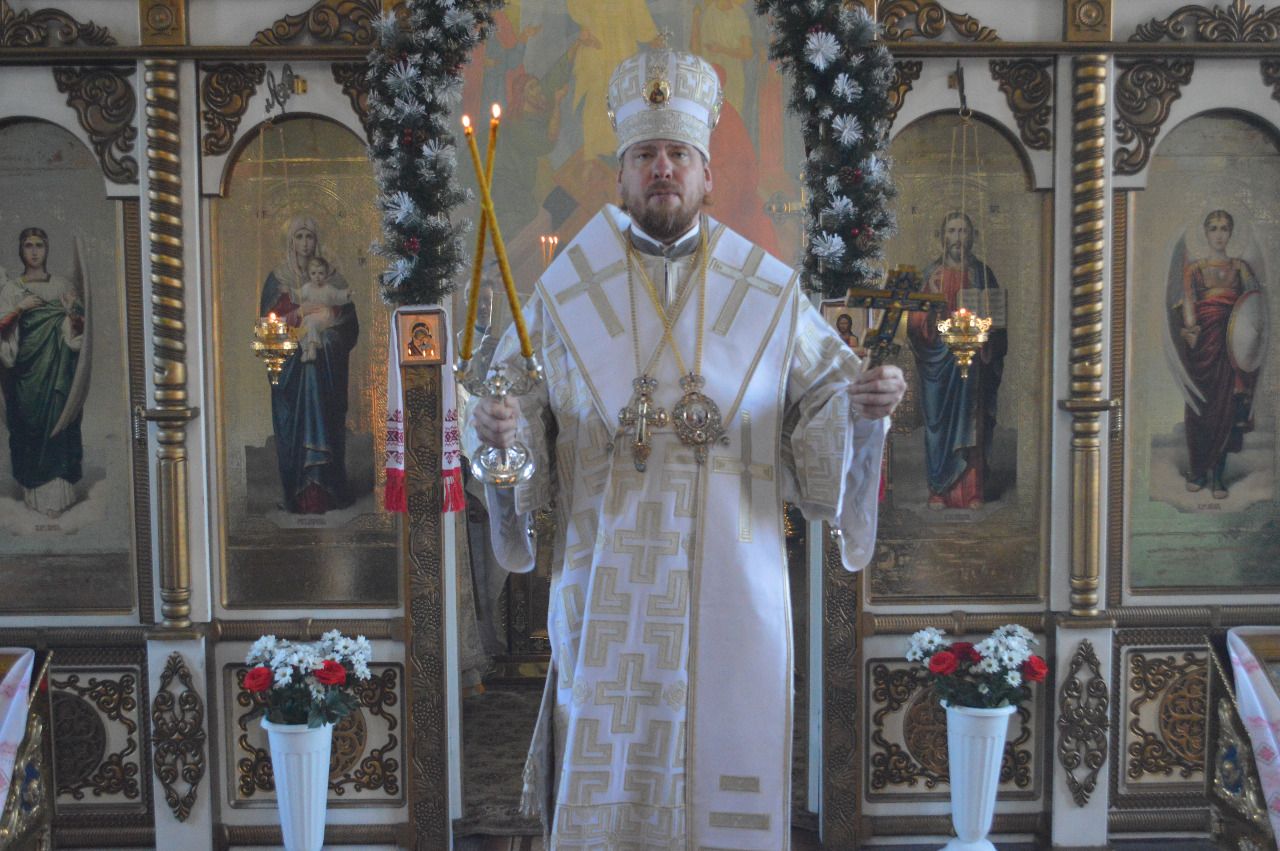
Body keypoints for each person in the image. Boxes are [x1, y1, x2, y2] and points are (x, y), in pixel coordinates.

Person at [466, 49, 905, 848]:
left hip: (733, 580)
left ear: (706, 173)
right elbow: (509, 412)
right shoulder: (564, 295)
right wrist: (499, 434)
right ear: (622, 174)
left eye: (677, 154)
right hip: (604, 586)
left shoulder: (767, 291)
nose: (661, 168)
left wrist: (866, 407)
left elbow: (829, 397)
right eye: (645, 154)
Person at [906, 211, 1008, 510]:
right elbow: (915, 322)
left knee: (971, 420)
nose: (958, 238)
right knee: (939, 425)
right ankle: (939, 488)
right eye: (952, 231)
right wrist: (931, 314)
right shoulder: (931, 275)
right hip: (938, 361)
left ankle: (973, 492)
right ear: (942, 236)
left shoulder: (983, 274)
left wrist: (986, 333)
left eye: (963, 231)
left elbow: (997, 321)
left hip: (972, 361)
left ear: (972, 236)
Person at [259, 216, 359, 514]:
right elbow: (268, 328)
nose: (305, 243)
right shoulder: (278, 280)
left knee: (318, 373)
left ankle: (328, 491)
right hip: (291, 371)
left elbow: (349, 327)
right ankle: (295, 494)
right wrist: (296, 316)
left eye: (309, 237)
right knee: (293, 428)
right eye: (299, 237)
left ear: (317, 240)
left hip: (326, 369)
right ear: (291, 241)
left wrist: (328, 336)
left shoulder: (334, 279)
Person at [1176, 209, 1261, 499]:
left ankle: (1218, 477)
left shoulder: (1241, 268)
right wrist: (1189, 330)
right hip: (1203, 348)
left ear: (1231, 232)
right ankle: (1199, 470)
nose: (1219, 234)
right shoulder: (1195, 269)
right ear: (1205, 233)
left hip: (1232, 348)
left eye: (1224, 228)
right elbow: (1189, 303)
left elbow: (1255, 309)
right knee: (1201, 409)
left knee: (1227, 410)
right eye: (1213, 228)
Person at [0, 228, 86, 516]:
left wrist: (72, 312)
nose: (34, 251)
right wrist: (19, 309)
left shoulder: (62, 285)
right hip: (25, 373)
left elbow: (80, 333)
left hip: (58, 372)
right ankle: (35, 496)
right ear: (21, 250)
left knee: (59, 425)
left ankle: (59, 496)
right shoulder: (12, 289)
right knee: (29, 427)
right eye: (28, 245)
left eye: (39, 245)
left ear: (47, 249)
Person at [297, 256, 350, 363]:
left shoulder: (328, 288)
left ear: (326, 274)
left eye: (321, 273)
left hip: (324, 316)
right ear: (309, 274)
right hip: (311, 315)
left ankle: (312, 347)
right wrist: (289, 291)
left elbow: (338, 295)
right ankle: (305, 350)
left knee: (311, 324)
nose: (317, 277)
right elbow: (298, 295)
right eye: (313, 273)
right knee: (302, 328)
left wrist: (347, 293)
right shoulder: (307, 288)